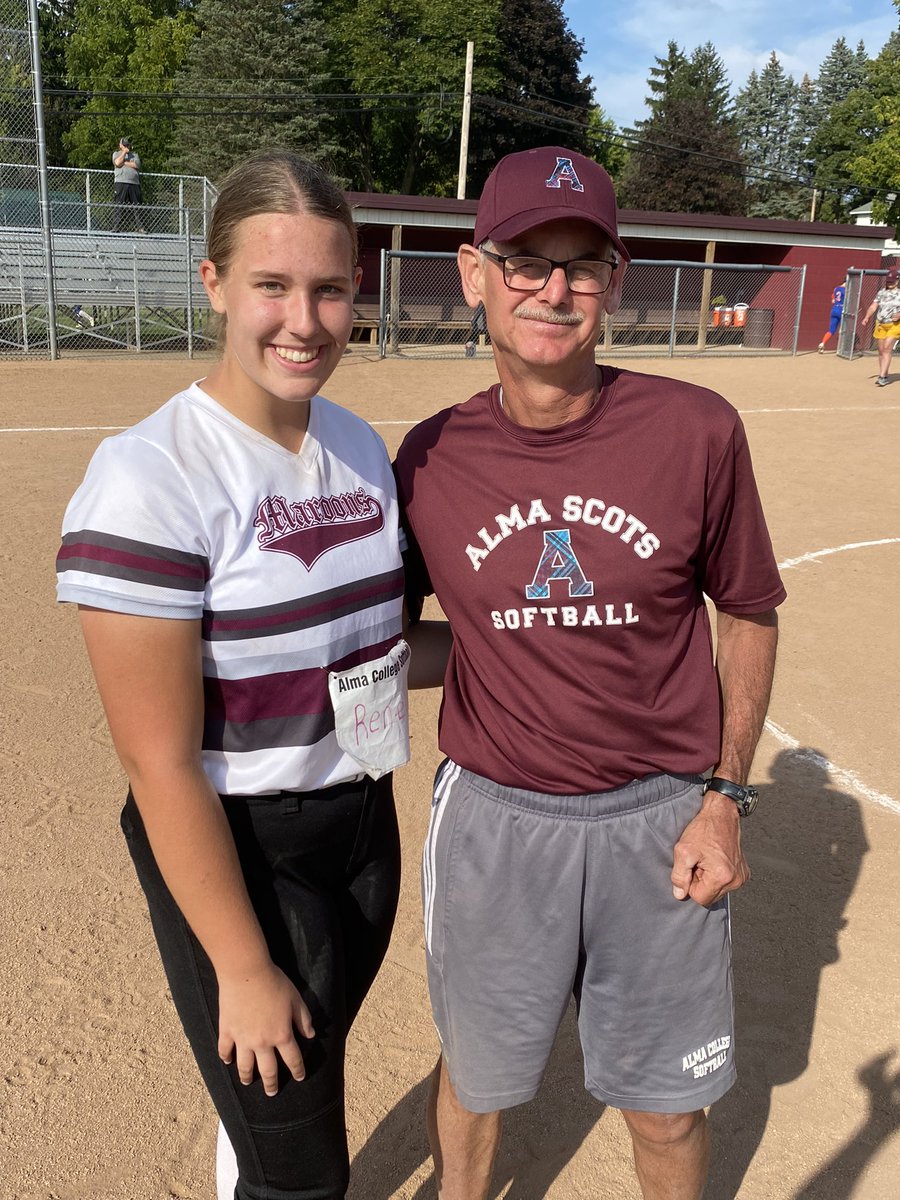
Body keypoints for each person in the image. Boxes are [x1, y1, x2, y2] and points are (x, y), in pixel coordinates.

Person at [394, 145, 786, 1200]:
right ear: (475, 273)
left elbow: (747, 611)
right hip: (495, 824)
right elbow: (403, 638)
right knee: (478, 1083)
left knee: (667, 1108)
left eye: (581, 263)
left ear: (614, 281)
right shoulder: (428, 460)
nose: (553, 289)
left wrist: (725, 795)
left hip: (661, 822)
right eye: (526, 259)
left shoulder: (697, 430)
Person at [57, 149, 444, 1200]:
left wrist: (543, 640)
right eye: (273, 284)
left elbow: (365, 654)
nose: (305, 319)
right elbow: (159, 761)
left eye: (329, 287)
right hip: (240, 852)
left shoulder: (362, 449)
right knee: (304, 1174)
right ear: (216, 282)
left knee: (296, 1086)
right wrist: (238, 964)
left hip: (362, 823)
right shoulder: (150, 478)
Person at [860, 267, 900, 385]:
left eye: (892, 282)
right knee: (881, 350)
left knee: (887, 348)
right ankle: (885, 373)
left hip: (895, 325)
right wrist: (867, 317)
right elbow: (873, 306)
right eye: (888, 281)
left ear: (897, 281)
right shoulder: (882, 292)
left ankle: (882, 377)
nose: (890, 284)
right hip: (881, 324)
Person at [112, 136, 144, 232]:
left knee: (137, 206)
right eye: (124, 144)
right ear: (120, 145)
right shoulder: (116, 154)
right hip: (121, 182)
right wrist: (124, 153)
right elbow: (117, 163)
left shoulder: (135, 155)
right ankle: (116, 227)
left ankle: (140, 227)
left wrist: (124, 163)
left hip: (134, 183)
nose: (126, 146)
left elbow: (136, 165)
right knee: (119, 205)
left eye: (127, 145)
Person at [817, 281, 846, 352]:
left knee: (831, 330)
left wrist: (834, 300)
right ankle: (841, 348)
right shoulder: (846, 290)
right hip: (841, 309)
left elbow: (833, 299)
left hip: (834, 309)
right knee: (844, 329)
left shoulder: (836, 288)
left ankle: (822, 343)